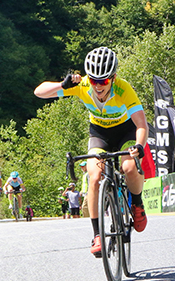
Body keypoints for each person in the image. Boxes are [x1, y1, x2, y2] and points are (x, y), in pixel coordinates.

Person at [34, 46, 148, 257]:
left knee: (129, 166)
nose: (98, 86)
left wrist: (139, 146)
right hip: (99, 134)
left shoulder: (123, 89)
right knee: (94, 176)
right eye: (94, 80)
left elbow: (141, 124)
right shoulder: (82, 85)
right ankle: (97, 235)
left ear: (113, 78)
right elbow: (38, 92)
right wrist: (62, 85)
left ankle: (137, 204)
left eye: (103, 81)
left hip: (125, 132)